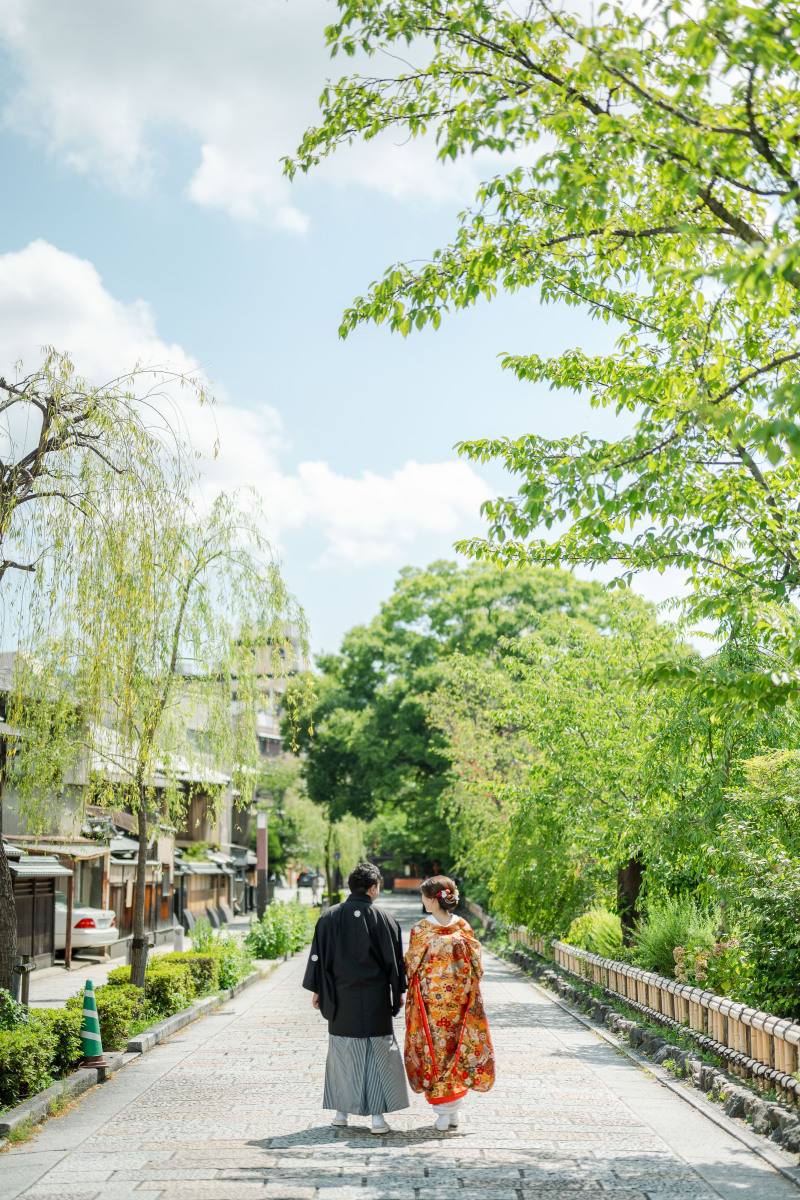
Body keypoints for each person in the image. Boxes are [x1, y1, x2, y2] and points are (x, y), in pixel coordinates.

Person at [302, 861, 409, 1133]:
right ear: (373, 888)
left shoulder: (329, 917)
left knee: (343, 1054)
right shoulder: (385, 918)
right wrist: (397, 992)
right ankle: (377, 1119)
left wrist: (318, 989)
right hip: (375, 1001)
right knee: (378, 1057)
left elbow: (318, 958)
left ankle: (341, 1113)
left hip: (340, 998)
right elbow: (394, 964)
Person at [403, 875, 495, 1131]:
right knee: (456, 1048)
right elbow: (476, 967)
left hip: (431, 1004)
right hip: (459, 1001)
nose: (423, 901)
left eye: (424, 897)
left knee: (436, 1052)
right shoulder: (463, 926)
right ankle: (451, 1111)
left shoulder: (421, 930)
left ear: (433, 900)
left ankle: (446, 1112)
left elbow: (411, 967)